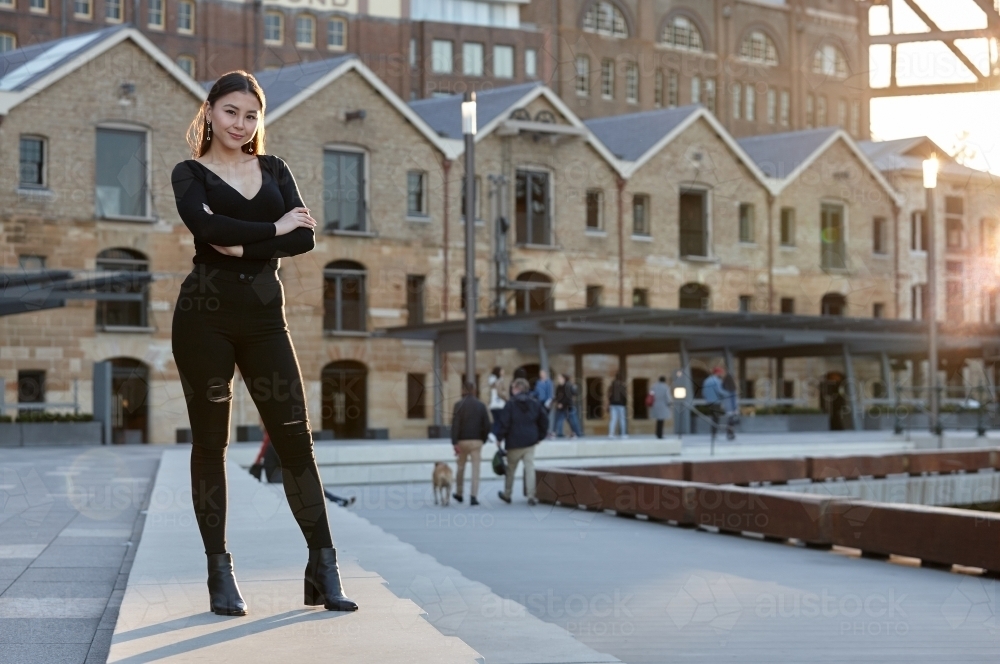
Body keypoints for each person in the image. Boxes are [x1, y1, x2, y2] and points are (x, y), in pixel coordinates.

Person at [171, 71, 356, 617]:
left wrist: (241, 238)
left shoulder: (275, 169)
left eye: (251, 115)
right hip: (203, 318)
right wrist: (271, 229)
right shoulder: (190, 174)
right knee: (212, 444)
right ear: (209, 111)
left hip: (265, 320)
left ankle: (324, 566)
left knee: (296, 439)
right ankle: (219, 571)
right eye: (231, 111)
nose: (241, 124)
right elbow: (210, 234)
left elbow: (305, 237)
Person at [492, 378, 549, 505]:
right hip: (530, 441)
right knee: (530, 468)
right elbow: (544, 420)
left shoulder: (510, 404)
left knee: (510, 469)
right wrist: (540, 436)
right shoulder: (535, 403)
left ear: (517, 388)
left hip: (514, 442)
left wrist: (499, 438)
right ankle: (531, 495)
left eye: (513, 388)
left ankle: (507, 494)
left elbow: (505, 423)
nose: (511, 390)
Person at [450, 382, 491, 506]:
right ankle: (473, 496)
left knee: (460, 467)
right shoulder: (481, 405)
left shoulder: (458, 405)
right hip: (476, 441)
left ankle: (459, 493)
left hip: (462, 441)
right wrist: (483, 439)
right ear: (474, 390)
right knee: (475, 469)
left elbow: (455, 425)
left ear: (463, 390)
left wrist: (454, 442)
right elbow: (487, 425)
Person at [702, 367, 734, 442]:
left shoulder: (706, 381)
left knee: (713, 418)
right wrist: (729, 394)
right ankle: (714, 434)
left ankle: (713, 433)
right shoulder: (717, 381)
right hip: (716, 402)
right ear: (717, 373)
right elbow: (720, 391)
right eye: (720, 373)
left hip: (709, 402)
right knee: (716, 418)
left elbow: (704, 392)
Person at [553, 373, 583, 438]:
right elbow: (557, 396)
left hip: (569, 406)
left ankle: (577, 433)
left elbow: (568, 397)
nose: (558, 380)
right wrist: (554, 401)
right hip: (561, 407)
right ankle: (559, 434)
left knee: (573, 421)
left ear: (563, 379)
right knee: (559, 420)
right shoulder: (559, 387)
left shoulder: (568, 385)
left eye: (559, 378)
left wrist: (562, 404)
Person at [532, 369, 555, 438]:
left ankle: (546, 431)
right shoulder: (538, 382)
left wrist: (549, 402)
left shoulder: (549, 382)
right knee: (539, 417)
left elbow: (550, 393)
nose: (541, 375)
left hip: (546, 402)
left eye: (542, 373)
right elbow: (536, 392)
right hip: (539, 402)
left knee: (545, 417)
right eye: (540, 373)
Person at [607, 372, 628, 438]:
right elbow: (624, 396)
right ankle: (623, 434)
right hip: (621, 405)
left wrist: (610, 402)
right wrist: (625, 404)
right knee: (622, 419)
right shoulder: (622, 386)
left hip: (613, 404)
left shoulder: (611, 386)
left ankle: (611, 434)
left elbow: (609, 395)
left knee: (613, 419)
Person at [721, 370, 739, 441]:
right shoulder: (732, 389)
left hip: (726, 407)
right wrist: (735, 409)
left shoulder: (723, 388)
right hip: (732, 408)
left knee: (729, 421)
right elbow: (734, 400)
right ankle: (731, 433)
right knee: (731, 422)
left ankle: (729, 433)